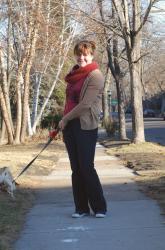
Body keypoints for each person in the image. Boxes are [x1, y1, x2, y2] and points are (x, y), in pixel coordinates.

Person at [58, 40, 107, 218]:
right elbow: (69, 101)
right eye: (79, 54)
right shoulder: (73, 74)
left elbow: (85, 104)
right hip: (70, 125)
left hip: (85, 125)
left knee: (86, 167)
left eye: (85, 54)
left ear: (92, 55)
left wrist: (65, 118)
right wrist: (65, 120)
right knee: (76, 169)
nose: (82, 57)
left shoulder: (95, 76)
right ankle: (81, 208)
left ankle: (100, 207)